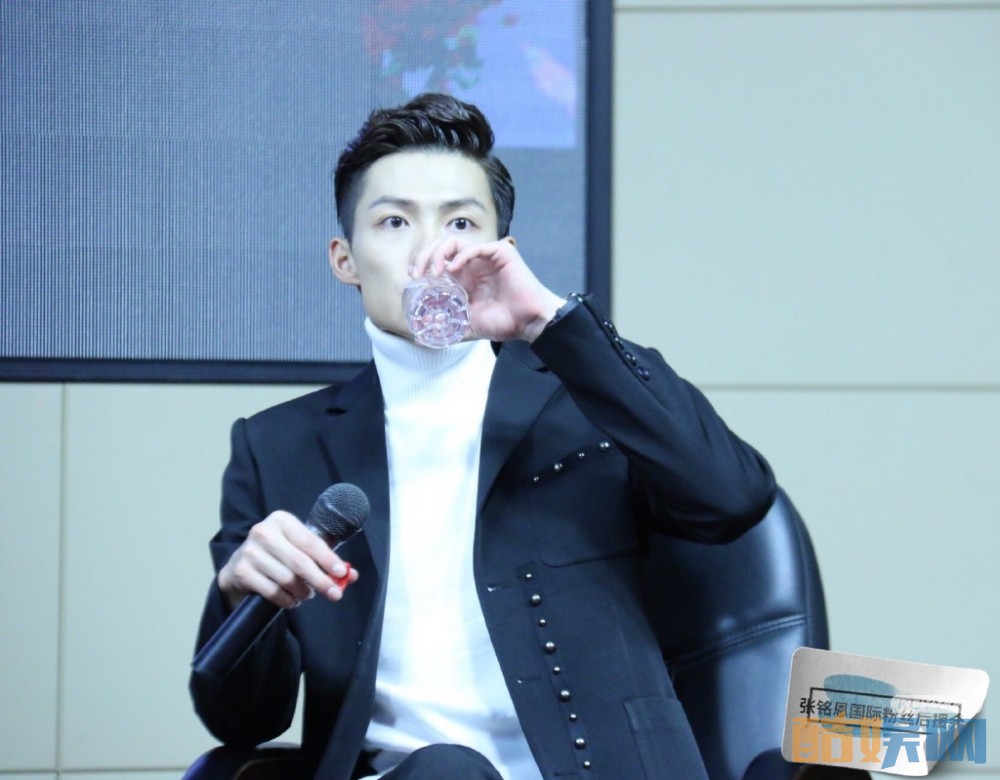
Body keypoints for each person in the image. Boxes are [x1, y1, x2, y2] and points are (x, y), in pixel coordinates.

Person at [190, 93, 777, 780]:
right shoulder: (276, 447)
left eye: (461, 223)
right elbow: (243, 722)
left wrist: (549, 324)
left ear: (503, 253)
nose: (431, 252)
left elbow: (732, 497)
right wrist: (242, 597)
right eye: (394, 221)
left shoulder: (591, 396)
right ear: (344, 259)